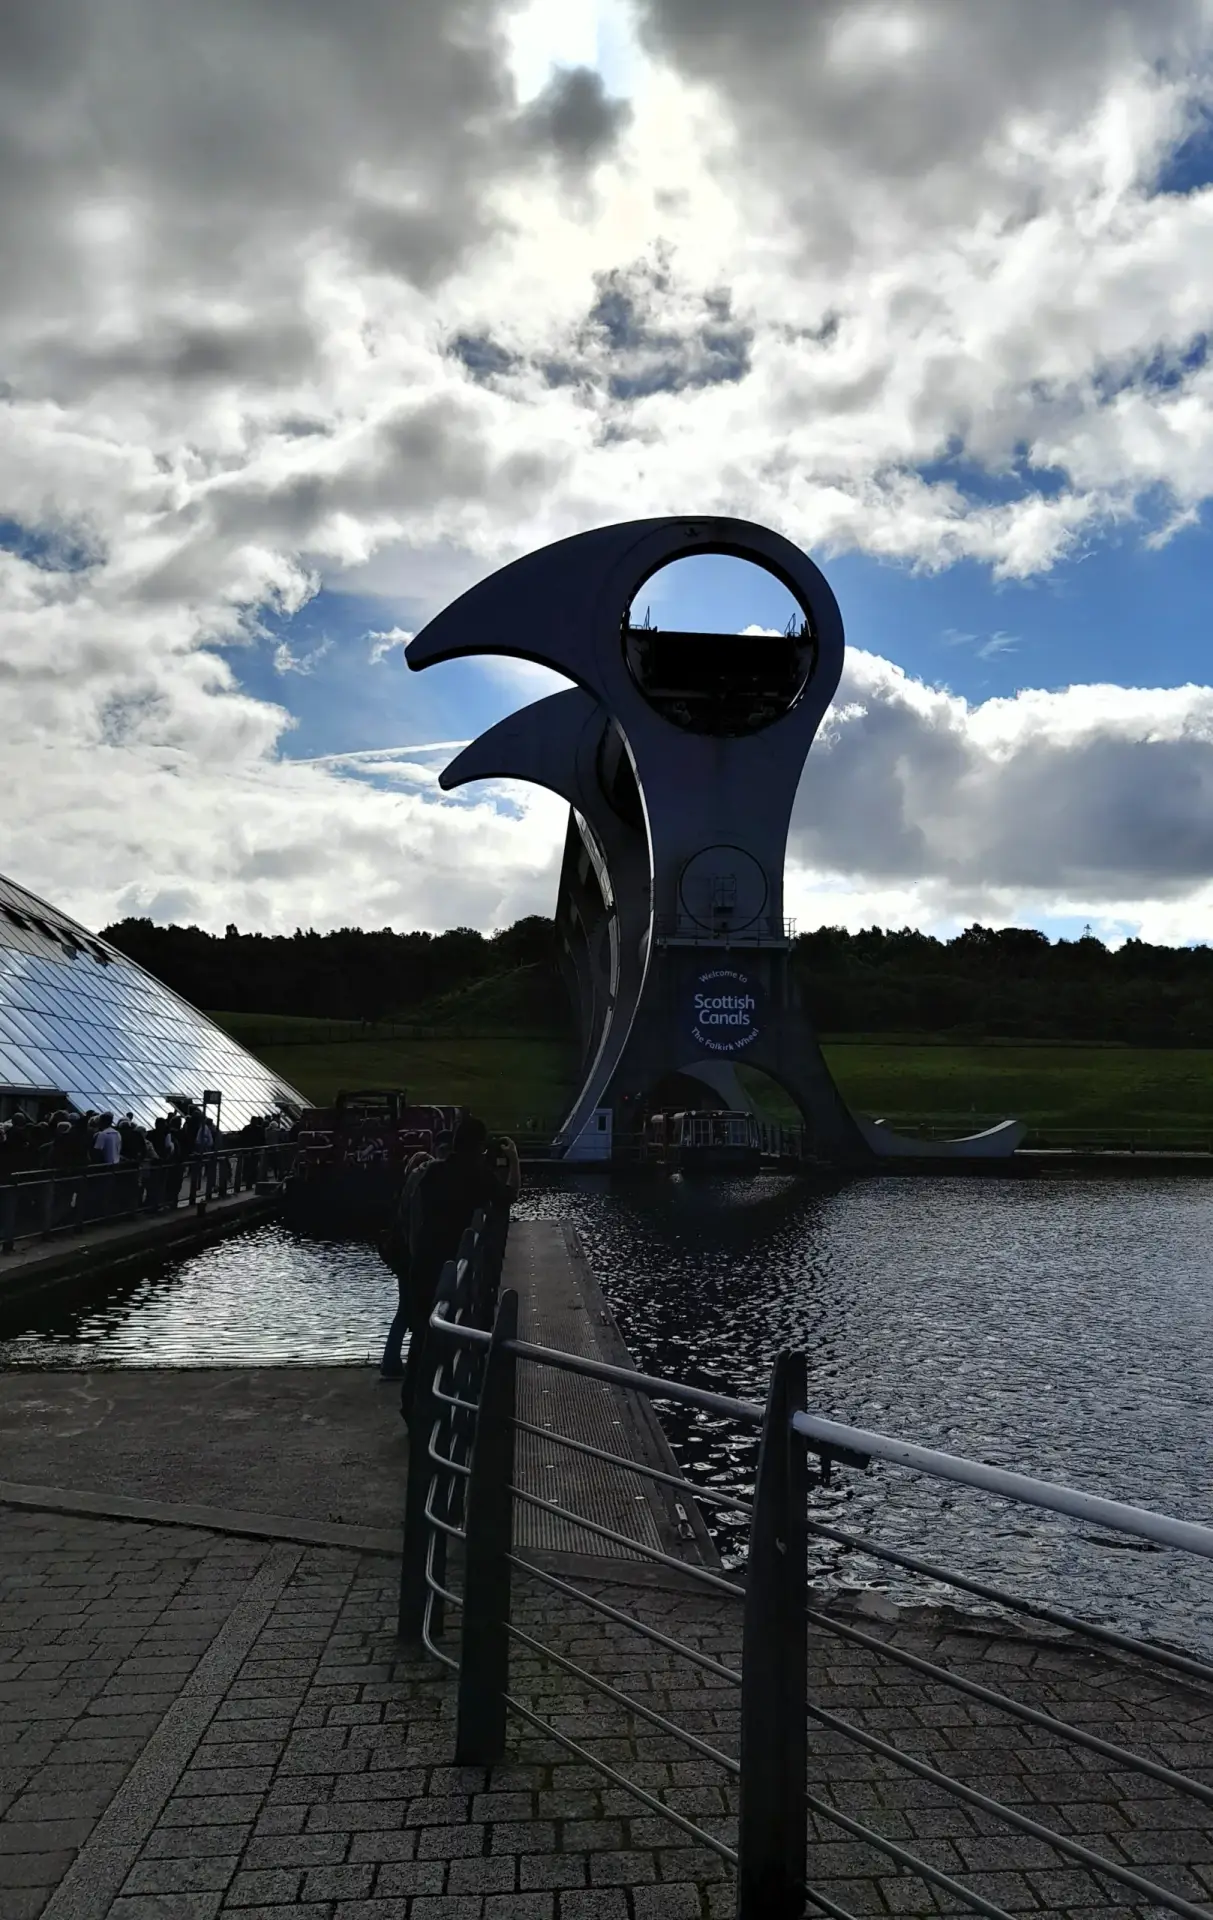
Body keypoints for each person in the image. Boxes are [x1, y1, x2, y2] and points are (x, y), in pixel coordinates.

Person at [400, 1116, 520, 1418]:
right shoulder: (477, 1175)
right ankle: (442, 1408)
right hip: (452, 1270)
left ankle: (411, 1405)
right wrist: (513, 1160)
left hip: (423, 1264)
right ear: (479, 1146)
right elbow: (509, 1195)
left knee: (421, 1336)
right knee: (449, 1338)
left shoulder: (433, 1172)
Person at [378, 1148, 433, 1380]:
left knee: (405, 1311)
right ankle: (394, 1361)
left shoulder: (401, 1196)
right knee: (407, 1312)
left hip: (401, 1261)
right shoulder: (417, 1197)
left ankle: (393, 1360)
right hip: (409, 1261)